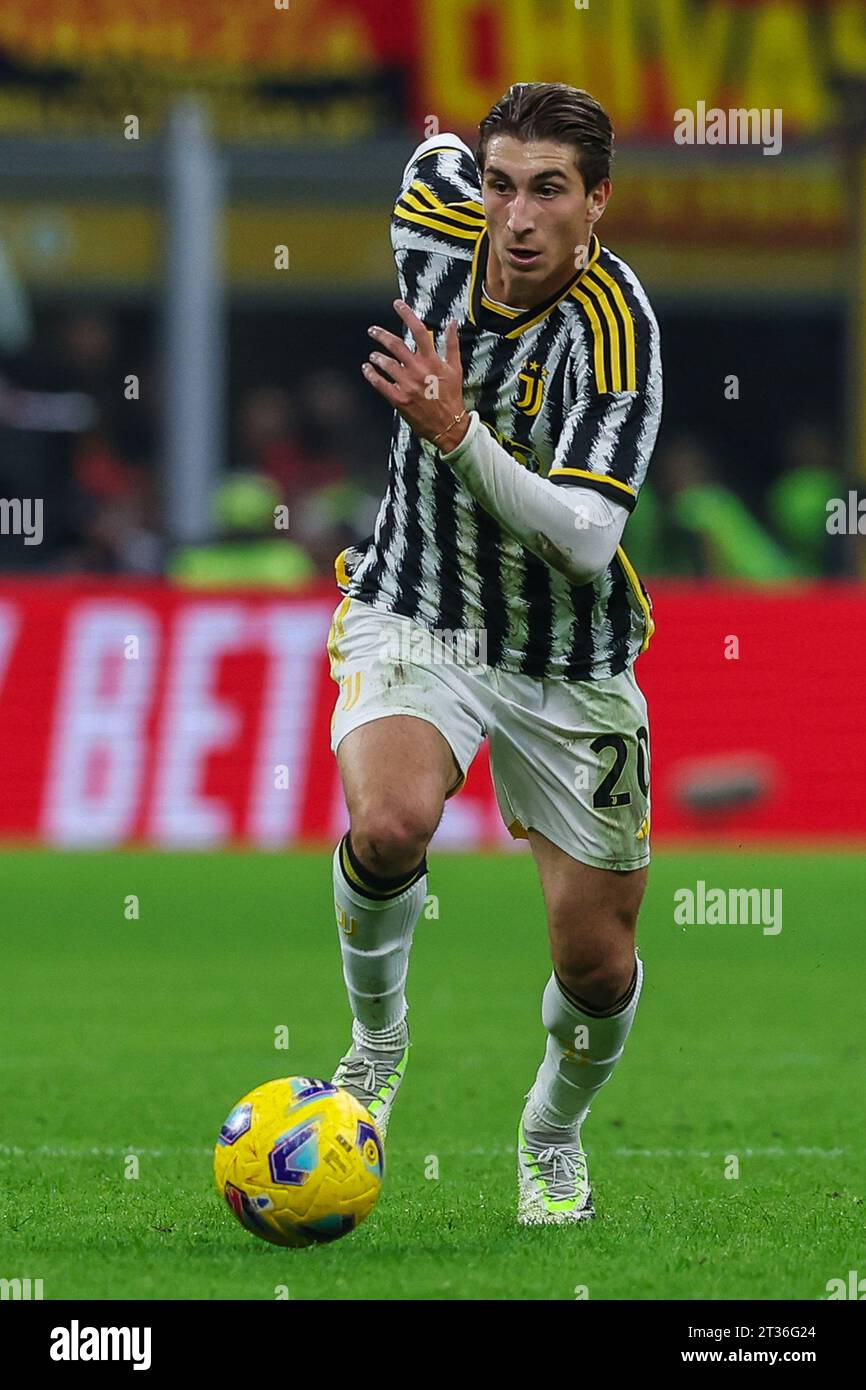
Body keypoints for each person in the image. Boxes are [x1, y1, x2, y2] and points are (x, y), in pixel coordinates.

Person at [327, 82, 662, 1224]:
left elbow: (585, 538)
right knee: (386, 824)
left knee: (595, 966)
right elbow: (429, 155)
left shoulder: (614, 334)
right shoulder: (434, 208)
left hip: (568, 661)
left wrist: (457, 433)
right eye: (503, 184)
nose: (516, 218)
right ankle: (375, 1048)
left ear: (597, 202)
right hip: (418, 606)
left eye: (549, 192)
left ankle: (549, 1131)